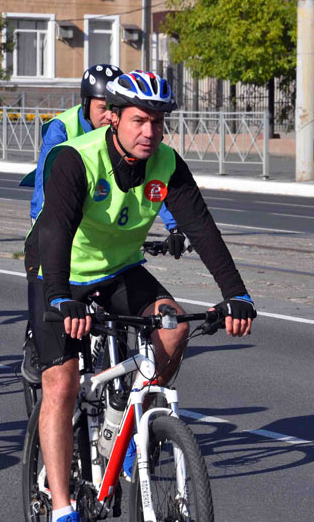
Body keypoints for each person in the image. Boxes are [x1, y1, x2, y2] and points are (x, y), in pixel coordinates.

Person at [27, 70, 256, 522]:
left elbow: (201, 228)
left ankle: (132, 428)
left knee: (174, 328)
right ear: (112, 118)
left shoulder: (166, 164)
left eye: (158, 121)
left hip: (120, 269)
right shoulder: (76, 158)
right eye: (138, 120)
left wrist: (236, 294)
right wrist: (58, 296)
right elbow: (54, 230)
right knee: (63, 382)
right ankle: (61, 507)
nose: (149, 132)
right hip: (60, 273)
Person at [20, 64, 184, 385]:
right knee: (47, 287)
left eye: (115, 108)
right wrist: (48, 225)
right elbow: (45, 180)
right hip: (60, 226)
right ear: (86, 105)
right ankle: (34, 337)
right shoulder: (63, 129)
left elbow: (154, 183)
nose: (110, 115)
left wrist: (174, 226)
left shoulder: (126, 135)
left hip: (104, 239)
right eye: (103, 108)